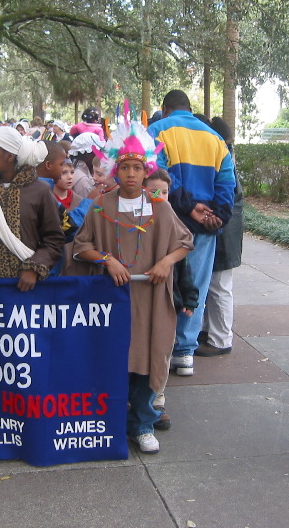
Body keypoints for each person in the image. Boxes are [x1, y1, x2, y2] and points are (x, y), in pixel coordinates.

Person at [71, 110, 193, 454]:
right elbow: (81, 247)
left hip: (150, 298)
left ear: (147, 170)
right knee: (114, 358)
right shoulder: (101, 206)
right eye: (124, 167)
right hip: (112, 300)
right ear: (115, 169)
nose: (130, 174)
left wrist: (165, 263)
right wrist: (107, 260)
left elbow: (184, 243)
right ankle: (109, 424)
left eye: (137, 168)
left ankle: (141, 423)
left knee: (147, 358)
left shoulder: (160, 206)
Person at [146, 90, 236, 377]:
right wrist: (218, 216)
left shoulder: (157, 130)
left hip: (165, 223)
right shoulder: (215, 139)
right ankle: (185, 353)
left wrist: (188, 205)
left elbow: (155, 179)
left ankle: (159, 349)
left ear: (165, 108)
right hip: (204, 227)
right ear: (189, 107)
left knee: (161, 283)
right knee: (195, 285)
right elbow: (227, 183)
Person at [0, 126, 64, 294]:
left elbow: (53, 239)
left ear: (9, 156)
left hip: (33, 287)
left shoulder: (40, 190)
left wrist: (34, 268)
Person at [143, 168, 198, 431]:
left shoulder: (174, 222)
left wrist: (189, 296)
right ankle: (138, 399)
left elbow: (184, 266)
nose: (159, 196)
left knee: (163, 349)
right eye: (153, 191)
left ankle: (158, 400)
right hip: (140, 298)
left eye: (164, 192)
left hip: (168, 299)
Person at [196, 117, 243, 357]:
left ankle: (221, 339)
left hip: (226, 230)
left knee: (220, 286)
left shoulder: (222, 157)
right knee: (212, 284)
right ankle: (208, 330)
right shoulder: (223, 154)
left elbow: (226, 195)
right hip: (224, 228)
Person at [67, 132, 103, 199]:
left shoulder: (75, 167)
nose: (99, 154)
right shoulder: (83, 181)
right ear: (88, 154)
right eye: (97, 151)